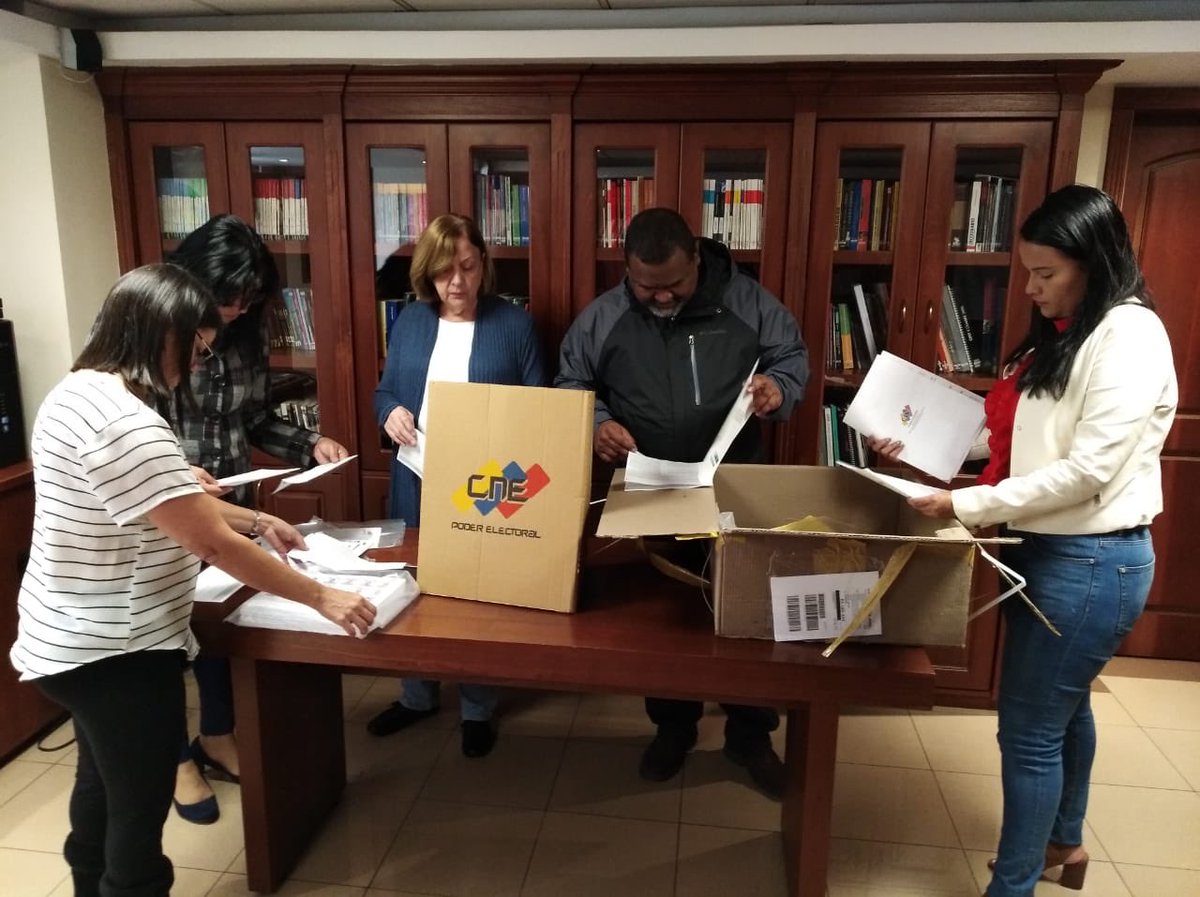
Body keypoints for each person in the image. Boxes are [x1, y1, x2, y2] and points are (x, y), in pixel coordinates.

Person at [9, 264, 376, 897]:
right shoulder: (127, 424)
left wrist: (257, 518)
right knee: (137, 813)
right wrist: (323, 596)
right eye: (197, 346)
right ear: (162, 334)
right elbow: (208, 542)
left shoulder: (75, 393)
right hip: (118, 650)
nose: (198, 363)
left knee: (101, 786)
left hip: (62, 636)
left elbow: (170, 504)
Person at [869, 185, 1177, 897]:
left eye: (1046, 273)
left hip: (1091, 561)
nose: (1031, 289)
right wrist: (917, 443)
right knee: (1065, 710)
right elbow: (1018, 439)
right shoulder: (1068, 330)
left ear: (1094, 262)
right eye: (1028, 271)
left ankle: (1014, 885)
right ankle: (1064, 841)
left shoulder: (1129, 335)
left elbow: (1088, 470)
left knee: (1030, 731)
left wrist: (963, 502)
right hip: (1049, 551)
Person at [555, 207, 808, 798]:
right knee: (667, 622)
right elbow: (571, 383)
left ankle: (750, 737)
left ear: (697, 259)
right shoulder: (603, 318)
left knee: (747, 615)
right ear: (628, 270)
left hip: (737, 486)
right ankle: (673, 728)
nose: (662, 296)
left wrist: (778, 388)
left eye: (673, 283)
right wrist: (598, 422)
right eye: (647, 287)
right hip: (652, 488)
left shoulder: (747, 302)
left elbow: (791, 357)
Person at [165, 213, 351, 824]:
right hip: (166, 507)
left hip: (233, 505)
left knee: (223, 621)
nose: (239, 310)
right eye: (229, 299)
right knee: (167, 635)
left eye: (249, 299)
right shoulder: (156, 330)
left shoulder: (245, 333)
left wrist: (310, 444)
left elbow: (252, 420)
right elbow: (133, 429)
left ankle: (218, 734)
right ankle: (176, 759)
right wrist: (177, 470)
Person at [368, 213, 545, 757]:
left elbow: (540, 410)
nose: (458, 283)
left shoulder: (513, 325)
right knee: (412, 586)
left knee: (475, 595)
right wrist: (390, 412)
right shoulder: (411, 321)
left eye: (468, 267)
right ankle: (417, 695)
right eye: (445, 272)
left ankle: (477, 707)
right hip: (416, 475)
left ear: (483, 264)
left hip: (486, 482)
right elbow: (383, 392)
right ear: (428, 274)